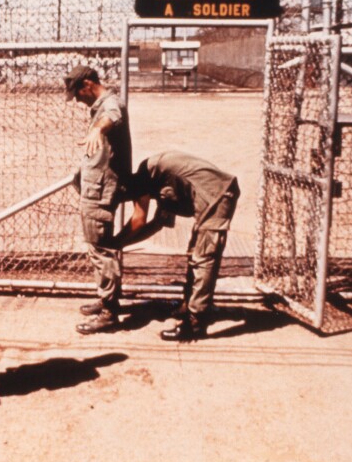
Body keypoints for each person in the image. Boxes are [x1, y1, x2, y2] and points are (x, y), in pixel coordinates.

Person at [110, 151, 240, 341]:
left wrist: (115, 242)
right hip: (209, 193)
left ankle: (195, 322)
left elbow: (139, 220)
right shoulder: (159, 179)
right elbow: (156, 224)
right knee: (195, 253)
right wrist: (122, 243)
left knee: (204, 257)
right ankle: (189, 306)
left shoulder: (149, 175)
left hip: (217, 193)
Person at [64, 65, 132, 335]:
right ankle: (108, 299)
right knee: (100, 247)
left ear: (88, 84)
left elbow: (112, 118)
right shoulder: (101, 105)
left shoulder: (110, 105)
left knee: (100, 249)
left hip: (101, 191)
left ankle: (109, 311)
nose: (78, 100)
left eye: (78, 94)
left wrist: (98, 130)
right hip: (96, 187)